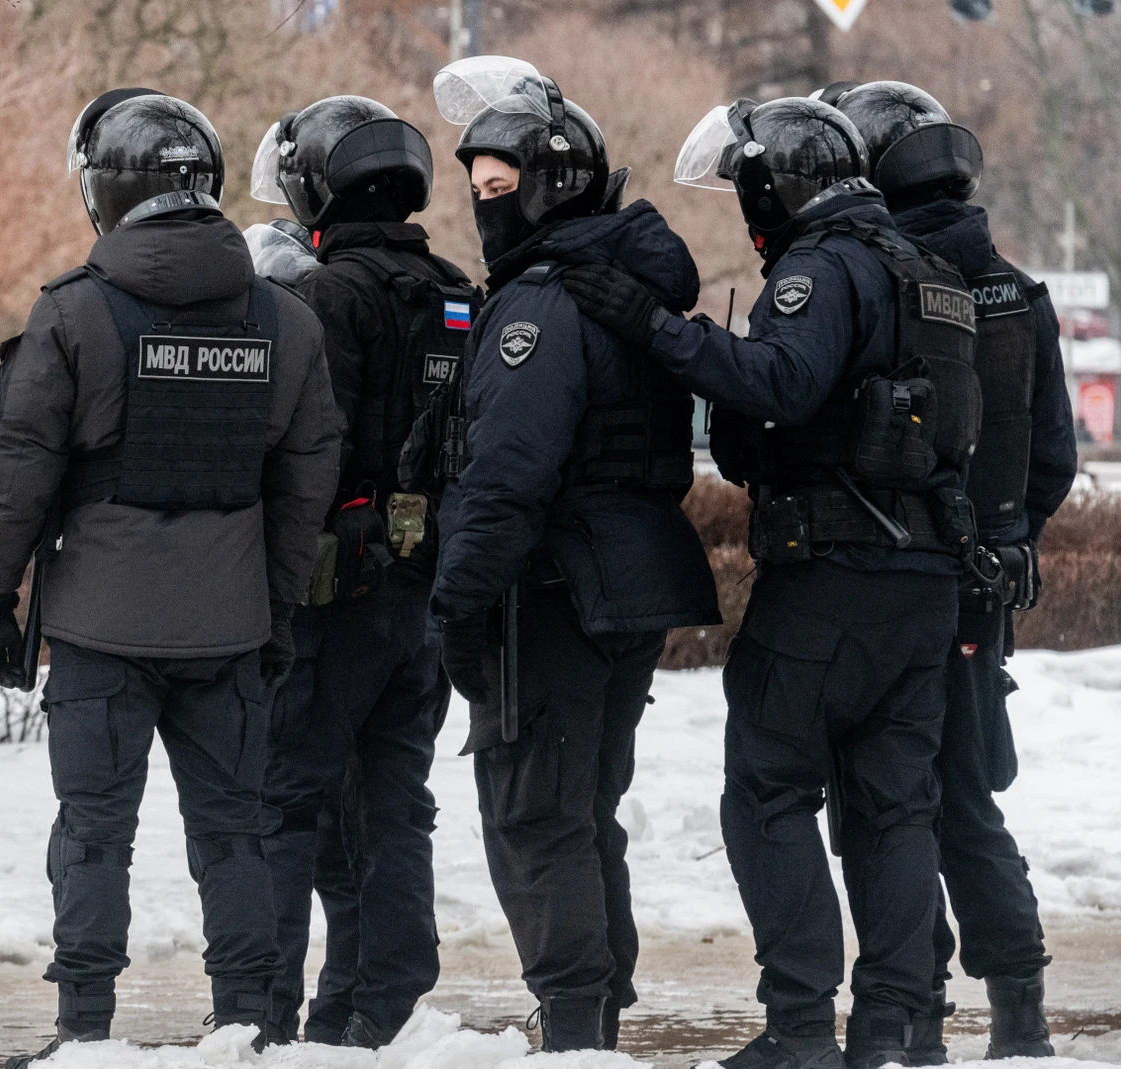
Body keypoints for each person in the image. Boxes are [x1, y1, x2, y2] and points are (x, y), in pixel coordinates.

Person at [562, 96, 981, 1069]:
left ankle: (797, 1027)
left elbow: (782, 385)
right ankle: (889, 1030)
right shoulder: (931, 273)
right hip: (922, 582)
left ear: (772, 188)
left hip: (833, 573)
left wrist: (655, 327)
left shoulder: (821, 265)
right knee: (892, 805)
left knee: (766, 792)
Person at [0, 88, 342, 1064]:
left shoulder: (73, 316)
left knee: (92, 831)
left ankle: (83, 1028)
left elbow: (15, 479)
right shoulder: (288, 325)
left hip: (99, 625)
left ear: (103, 191)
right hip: (227, 623)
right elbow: (305, 486)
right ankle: (247, 1023)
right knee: (233, 835)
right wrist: (277, 606)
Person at [424, 57, 720, 1052]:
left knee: (534, 811)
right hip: (619, 583)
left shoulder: (544, 302)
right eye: (474, 183)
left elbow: (508, 472)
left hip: (554, 591)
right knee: (581, 804)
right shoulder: (616, 280)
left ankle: (575, 1022)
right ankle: (595, 1000)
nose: (481, 201)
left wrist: (458, 599)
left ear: (552, 184)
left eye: (499, 184)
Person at [834, 80, 1078, 1063]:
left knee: (892, 802)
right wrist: (1007, 536)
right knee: (965, 798)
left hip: (898, 577)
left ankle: (920, 1006)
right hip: (982, 587)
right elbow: (1055, 456)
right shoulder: (1019, 292)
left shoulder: (893, 283)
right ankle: (1018, 1011)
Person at [245, 93, 473, 1049]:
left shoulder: (325, 295)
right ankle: (374, 993)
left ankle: (264, 1008)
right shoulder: (459, 289)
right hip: (425, 587)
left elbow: (306, 444)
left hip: (334, 592)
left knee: (288, 797)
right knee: (393, 793)